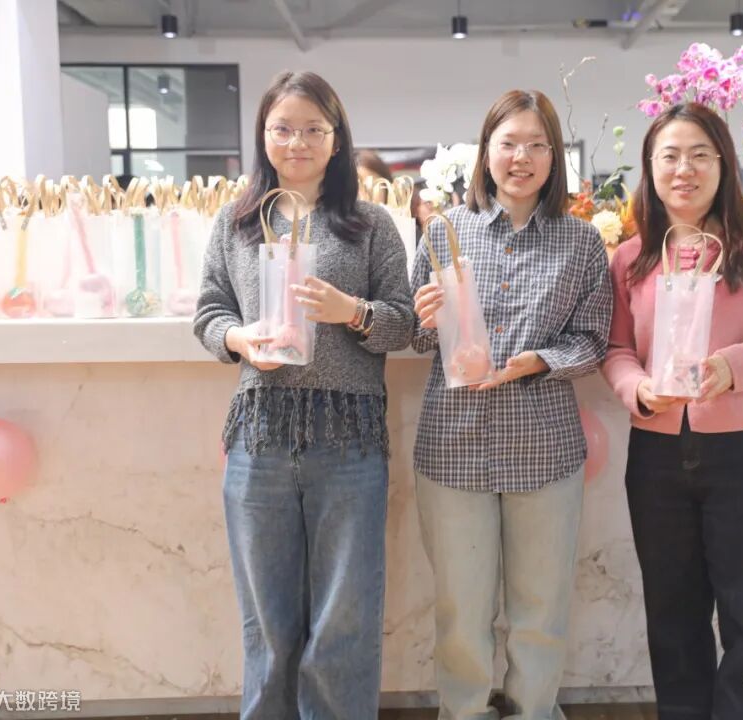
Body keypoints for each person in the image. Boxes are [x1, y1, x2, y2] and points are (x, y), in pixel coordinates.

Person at [193, 70, 414, 720]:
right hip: (259, 436)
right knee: (266, 618)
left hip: (349, 442)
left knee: (345, 615)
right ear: (263, 135)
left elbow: (403, 323)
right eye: (283, 128)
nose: (297, 142)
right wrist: (239, 339)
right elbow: (208, 312)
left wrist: (353, 312)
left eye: (313, 129)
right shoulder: (236, 222)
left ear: (336, 138)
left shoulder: (370, 224)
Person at [601, 102, 743, 720]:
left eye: (700, 155)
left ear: (724, 164)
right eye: (670, 156)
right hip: (656, 455)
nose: (685, 169)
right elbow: (616, 350)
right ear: (650, 168)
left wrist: (734, 367)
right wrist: (636, 389)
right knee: (672, 616)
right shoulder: (632, 257)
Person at [411, 89, 613, 720]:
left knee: (540, 611)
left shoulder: (582, 243)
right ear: (486, 152)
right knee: (461, 611)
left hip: (544, 451)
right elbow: (417, 337)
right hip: (453, 449)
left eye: (536, 145)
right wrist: (423, 317)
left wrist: (540, 361)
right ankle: (464, 712)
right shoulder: (444, 231)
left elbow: (593, 341)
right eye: (508, 143)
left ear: (554, 157)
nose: (521, 157)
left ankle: (533, 712)